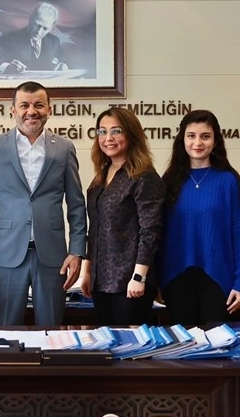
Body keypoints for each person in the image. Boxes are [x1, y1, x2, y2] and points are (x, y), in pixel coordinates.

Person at [0, 81, 87, 327]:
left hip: (52, 255)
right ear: (13, 110)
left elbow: (77, 205)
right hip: (7, 254)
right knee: (6, 329)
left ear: (49, 109)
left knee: (51, 328)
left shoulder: (64, 148)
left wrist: (77, 251)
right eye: (24, 105)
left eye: (38, 105)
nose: (31, 111)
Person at [158, 110, 240, 326]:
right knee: (184, 344)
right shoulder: (169, 181)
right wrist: (156, 279)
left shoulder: (228, 181)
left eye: (205, 136)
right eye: (191, 136)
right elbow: (158, 233)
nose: (197, 143)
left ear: (215, 141)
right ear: (182, 140)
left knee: (216, 343)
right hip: (175, 278)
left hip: (218, 278)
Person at [80, 107, 165, 326]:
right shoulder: (101, 176)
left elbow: (151, 232)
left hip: (130, 280)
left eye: (116, 131)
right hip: (101, 279)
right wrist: (87, 271)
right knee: (108, 341)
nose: (107, 138)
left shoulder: (144, 176)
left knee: (129, 344)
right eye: (102, 131)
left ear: (131, 134)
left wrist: (139, 277)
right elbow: (95, 228)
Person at [0, 3, 68, 74]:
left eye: (45, 28)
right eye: (36, 25)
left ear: (52, 26)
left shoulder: (54, 41)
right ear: (30, 19)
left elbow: (64, 59)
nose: (38, 32)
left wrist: (63, 64)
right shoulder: (8, 40)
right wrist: (8, 67)